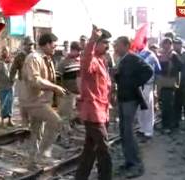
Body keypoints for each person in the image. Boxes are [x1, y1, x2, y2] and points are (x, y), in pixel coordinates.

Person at [21, 33, 66, 168]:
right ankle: (43, 154)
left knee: (36, 131)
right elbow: (35, 80)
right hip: (34, 101)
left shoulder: (47, 58)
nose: (55, 48)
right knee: (56, 122)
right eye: (53, 45)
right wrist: (55, 87)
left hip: (42, 100)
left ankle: (32, 160)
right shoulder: (34, 58)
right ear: (46, 44)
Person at [75, 25, 112, 180]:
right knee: (104, 150)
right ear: (96, 43)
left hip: (100, 112)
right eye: (104, 42)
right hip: (93, 113)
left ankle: (80, 177)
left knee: (90, 151)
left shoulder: (101, 61)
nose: (107, 45)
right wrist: (92, 40)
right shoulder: (92, 61)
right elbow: (86, 61)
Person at [115, 36, 153, 178]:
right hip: (123, 98)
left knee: (128, 132)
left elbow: (148, 71)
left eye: (117, 45)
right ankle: (129, 161)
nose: (115, 48)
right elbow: (123, 78)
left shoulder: (132, 58)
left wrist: (134, 84)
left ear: (125, 46)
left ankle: (136, 164)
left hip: (130, 99)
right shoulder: (122, 60)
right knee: (123, 131)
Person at [156, 38, 182, 134]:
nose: (165, 45)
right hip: (162, 84)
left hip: (170, 84)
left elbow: (180, 67)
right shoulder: (161, 55)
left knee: (168, 107)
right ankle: (166, 124)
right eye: (164, 43)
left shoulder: (173, 55)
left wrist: (171, 60)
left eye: (168, 43)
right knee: (164, 106)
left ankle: (168, 126)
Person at [136, 42, 161, 142]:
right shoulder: (137, 54)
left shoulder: (150, 55)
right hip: (138, 85)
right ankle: (142, 129)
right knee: (140, 108)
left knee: (147, 108)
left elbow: (158, 70)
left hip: (147, 85)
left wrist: (156, 87)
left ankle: (148, 131)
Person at [10, 36, 35, 127]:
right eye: (29, 45)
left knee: (34, 103)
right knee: (23, 103)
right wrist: (11, 79)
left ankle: (33, 122)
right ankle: (25, 122)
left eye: (32, 44)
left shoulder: (35, 56)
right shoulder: (19, 57)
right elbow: (13, 69)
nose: (31, 47)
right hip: (23, 82)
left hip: (33, 82)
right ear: (24, 45)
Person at [57, 41, 81, 132]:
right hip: (68, 95)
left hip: (79, 95)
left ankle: (71, 134)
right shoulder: (64, 62)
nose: (79, 53)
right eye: (77, 51)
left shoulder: (80, 61)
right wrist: (62, 91)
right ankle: (64, 138)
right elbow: (58, 78)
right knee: (65, 118)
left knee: (74, 117)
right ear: (72, 50)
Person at [0, 46, 15, 127]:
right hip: (2, 86)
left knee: (10, 103)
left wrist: (14, 79)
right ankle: (2, 121)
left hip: (10, 86)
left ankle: (10, 120)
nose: (5, 52)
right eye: (3, 51)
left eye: (6, 51)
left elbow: (14, 72)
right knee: (3, 104)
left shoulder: (12, 62)